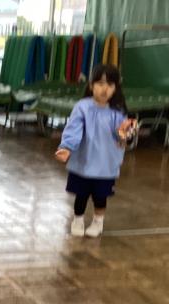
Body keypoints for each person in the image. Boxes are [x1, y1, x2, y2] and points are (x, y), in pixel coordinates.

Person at [55, 64, 136, 238]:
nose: (104, 89)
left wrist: (126, 133)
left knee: (100, 196)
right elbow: (73, 129)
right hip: (83, 163)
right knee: (81, 195)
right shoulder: (82, 107)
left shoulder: (118, 111)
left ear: (116, 88)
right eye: (100, 83)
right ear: (91, 85)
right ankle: (78, 219)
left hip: (105, 165)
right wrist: (67, 147)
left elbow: (123, 136)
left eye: (110, 85)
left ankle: (98, 222)